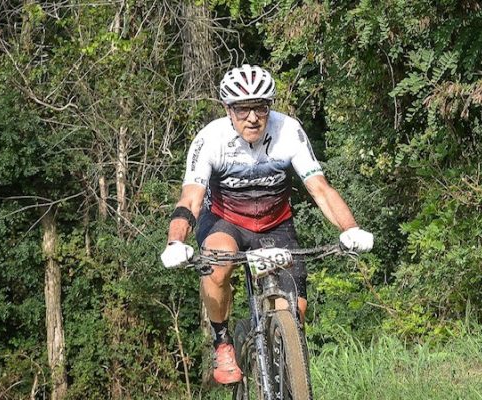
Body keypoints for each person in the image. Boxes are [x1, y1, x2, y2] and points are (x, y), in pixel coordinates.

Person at [160, 64, 374, 385]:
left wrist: (350, 228)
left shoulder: (288, 130)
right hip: (225, 221)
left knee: (296, 310)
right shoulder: (210, 139)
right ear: (228, 110)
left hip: (275, 224)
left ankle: (284, 375)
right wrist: (176, 241)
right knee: (218, 264)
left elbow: (320, 189)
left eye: (260, 107)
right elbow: (191, 199)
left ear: (269, 107)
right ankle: (222, 342)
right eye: (243, 109)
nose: (252, 118)